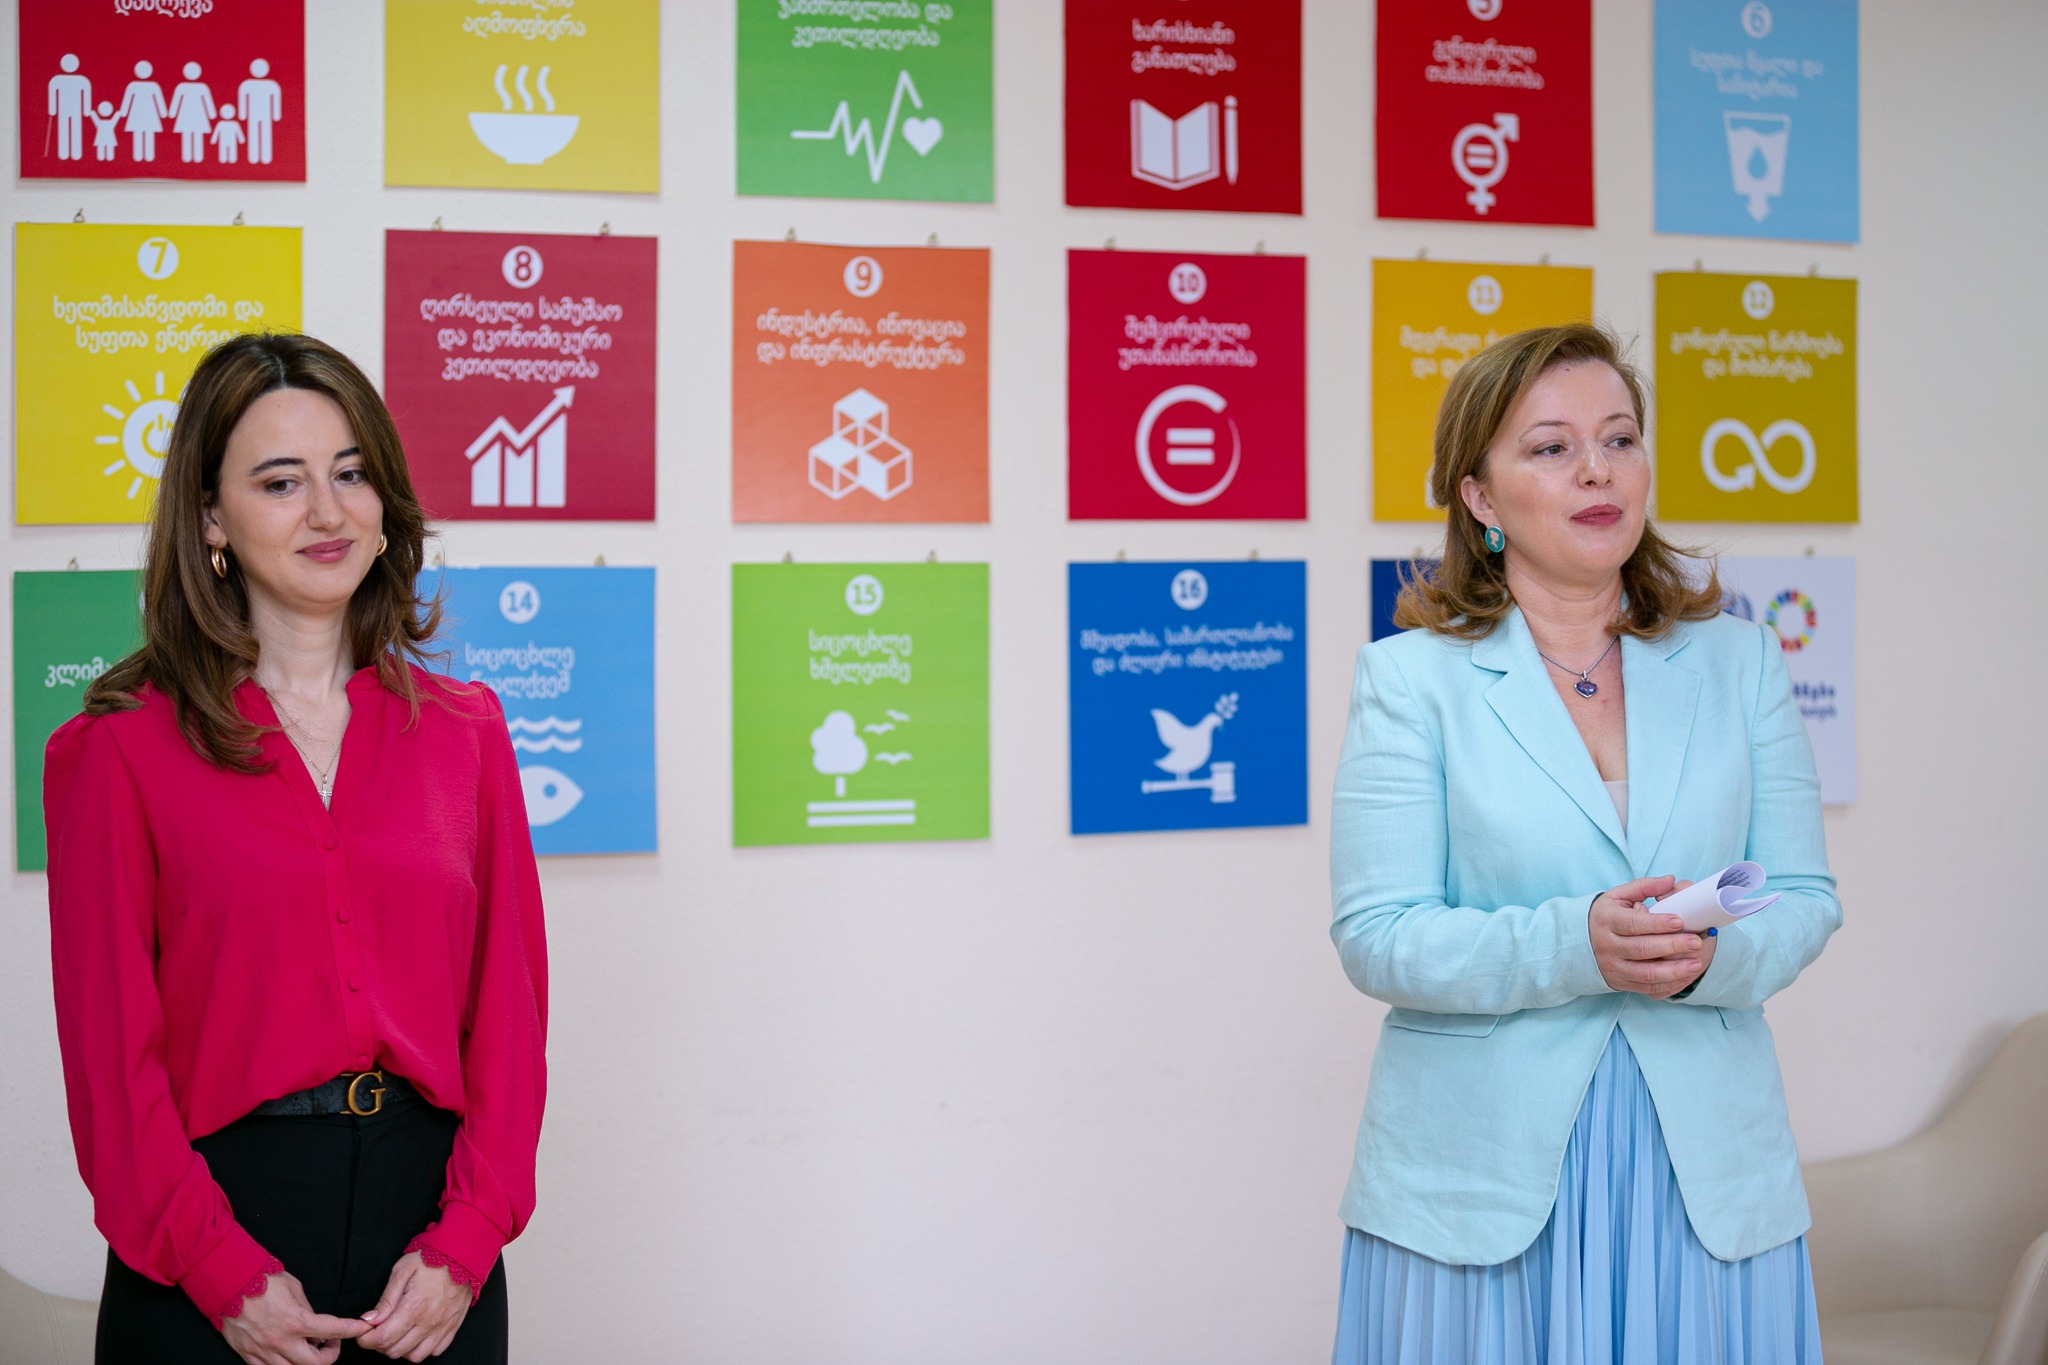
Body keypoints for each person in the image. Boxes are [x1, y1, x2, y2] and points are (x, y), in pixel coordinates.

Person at [1328, 323, 1839, 1363]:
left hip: (1703, 1173)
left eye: (1617, 438)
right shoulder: (1408, 681)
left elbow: (1801, 893)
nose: (1597, 469)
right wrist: (1578, 944)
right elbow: (1378, 935)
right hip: (1476, 1185)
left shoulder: (1741, 661)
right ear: (1479, 496)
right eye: (1551, 447)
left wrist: (1703, 958)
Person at [45, 333, 548, 1365]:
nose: (327, 512)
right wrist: (219, 1271)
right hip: (212, 1244)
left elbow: (510, 1021)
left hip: (431, 1257)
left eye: (350, 474)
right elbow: (111, 1069)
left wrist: (463, 1245)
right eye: (281, 482)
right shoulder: (116, 750)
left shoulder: (467, 731)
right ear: (210, 518)